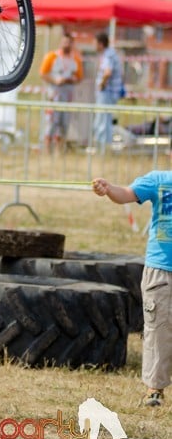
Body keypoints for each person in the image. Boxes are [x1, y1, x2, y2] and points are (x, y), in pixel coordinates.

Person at [92, 171, 172, 407]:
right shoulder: (159, 180)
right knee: (159, 329)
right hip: (161, 271)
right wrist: (109, 189)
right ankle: (154, 388)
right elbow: (126, 194)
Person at [39, 32, 83, 149]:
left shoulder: (76, 59)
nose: (66, 44)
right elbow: (43, 73)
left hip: (67, 96)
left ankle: (59, 152)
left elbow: (79, 77)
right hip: (54, 95)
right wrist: (55, 80)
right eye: (64, 42)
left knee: (64, 124)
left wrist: (72, 79)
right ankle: (47, 150)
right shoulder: (52, 56)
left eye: (69, 42)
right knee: (52, 123)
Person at [94, 31, 124, 146]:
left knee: (103, 120)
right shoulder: (111, 54)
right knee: (105, 119)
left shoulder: (108, 55)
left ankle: (102, 147)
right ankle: (104, 146)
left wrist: (101, 85)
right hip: (110, 92)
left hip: (106, 93)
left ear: (100, 44)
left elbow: (107, 72)